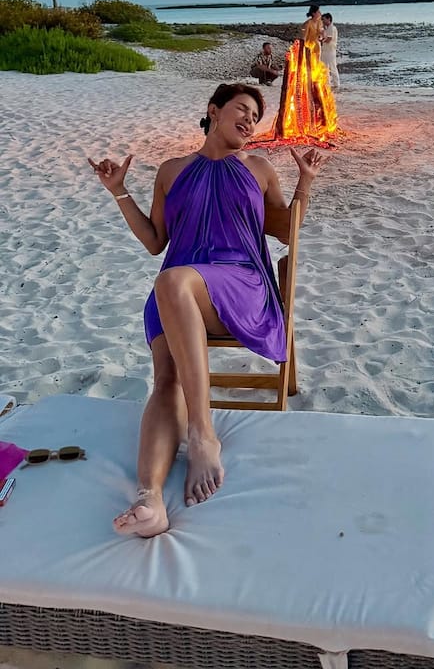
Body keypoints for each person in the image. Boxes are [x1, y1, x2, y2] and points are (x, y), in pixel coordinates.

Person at [88, 83, 323, 538]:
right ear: (213, 112)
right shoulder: (171, 170)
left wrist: (306, 185)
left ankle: (202, 432)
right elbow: (157, 242)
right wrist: (118, 192)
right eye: (242, 109)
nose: (250, 121)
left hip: (239, 284)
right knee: (165, 379)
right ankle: (150, 498)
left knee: (173, 281)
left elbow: (287, 233)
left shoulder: (259, 168)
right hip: (175, 291)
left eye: (255, 116)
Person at [320, 12, 340, 89]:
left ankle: (336, 84)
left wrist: (321, 40)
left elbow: (329, 39)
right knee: (325, 67)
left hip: (330, 51)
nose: (323, 21)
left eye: (324, 19)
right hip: (325, 50)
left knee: (332, 67)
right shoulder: (326, 28)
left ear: (329, 19)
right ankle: (327, 83)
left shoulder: (332, 28)